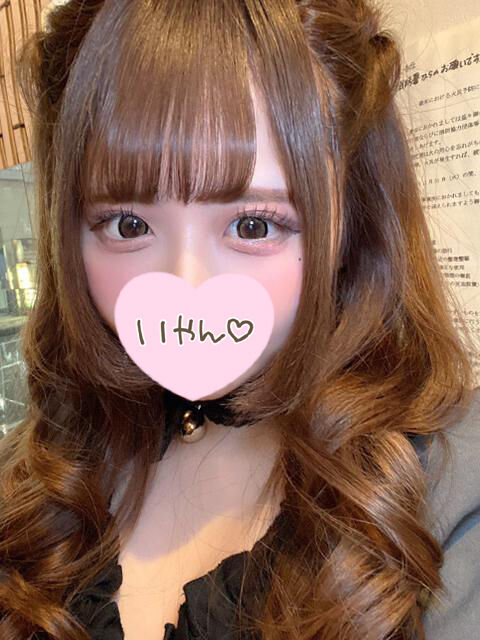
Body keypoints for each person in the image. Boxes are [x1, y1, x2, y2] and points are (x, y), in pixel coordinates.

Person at [1, 0, 479, 638]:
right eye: (128, 225)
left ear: (351, 223)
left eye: (254, 226)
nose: (185, 288)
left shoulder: (452, 484)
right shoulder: (39, 467)